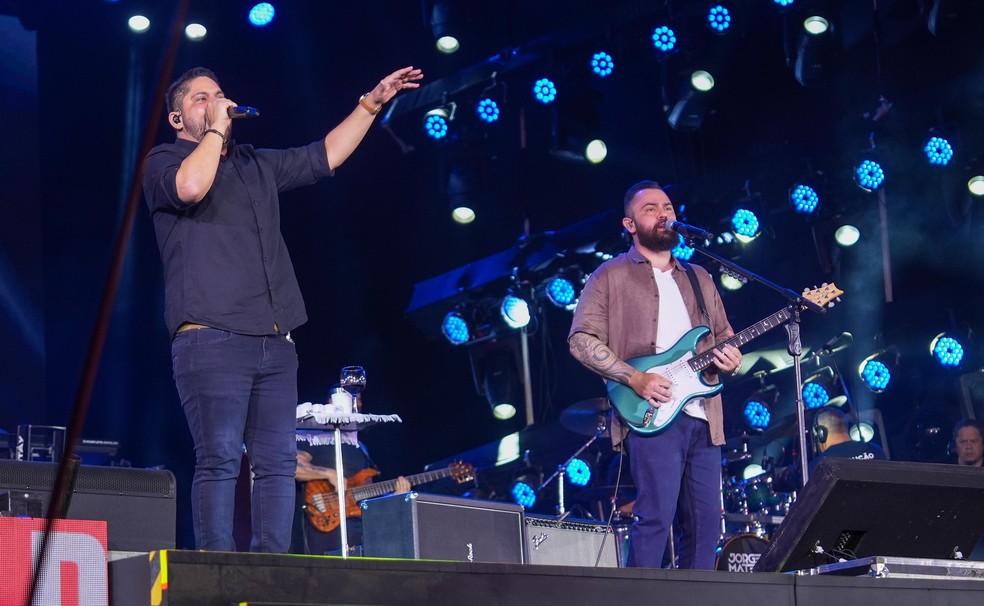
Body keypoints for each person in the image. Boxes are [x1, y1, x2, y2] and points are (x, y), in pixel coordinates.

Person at [141, 65, 423, 553]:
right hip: (210, 338)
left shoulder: (254, 164)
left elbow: (324, 155)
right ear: (176, 119)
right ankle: (216, 569)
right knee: (220, 458)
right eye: (200, 98)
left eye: (220, 93)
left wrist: (370, 104)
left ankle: (272, 567)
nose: (216, 101)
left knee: (275, 462)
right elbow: (190, 188)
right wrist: (216, 130)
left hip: (274, 341)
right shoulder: (163, 161)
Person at [568, 180, 743, 570]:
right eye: (650, 209)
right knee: (655, 518)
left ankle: (695, 598)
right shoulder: (610, 275)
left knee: (706, 527)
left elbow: (723, 335)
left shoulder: (699, 276)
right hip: (651, 409)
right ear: (629, 224)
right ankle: (638, 597)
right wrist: (635, 378)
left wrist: (732, 358)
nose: (663, 213)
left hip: (704, 414)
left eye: (668, 207)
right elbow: (580, 340)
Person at [292, 388, 411, 555]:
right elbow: (293, 467)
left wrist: (392, 497)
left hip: (358, 523)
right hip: (325, 519)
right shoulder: (315, 438)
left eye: (359, 399)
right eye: (352, 398)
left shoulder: (360, 446)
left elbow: (366, 491)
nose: (358, 403)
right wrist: (329, 473)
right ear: (331, 402)